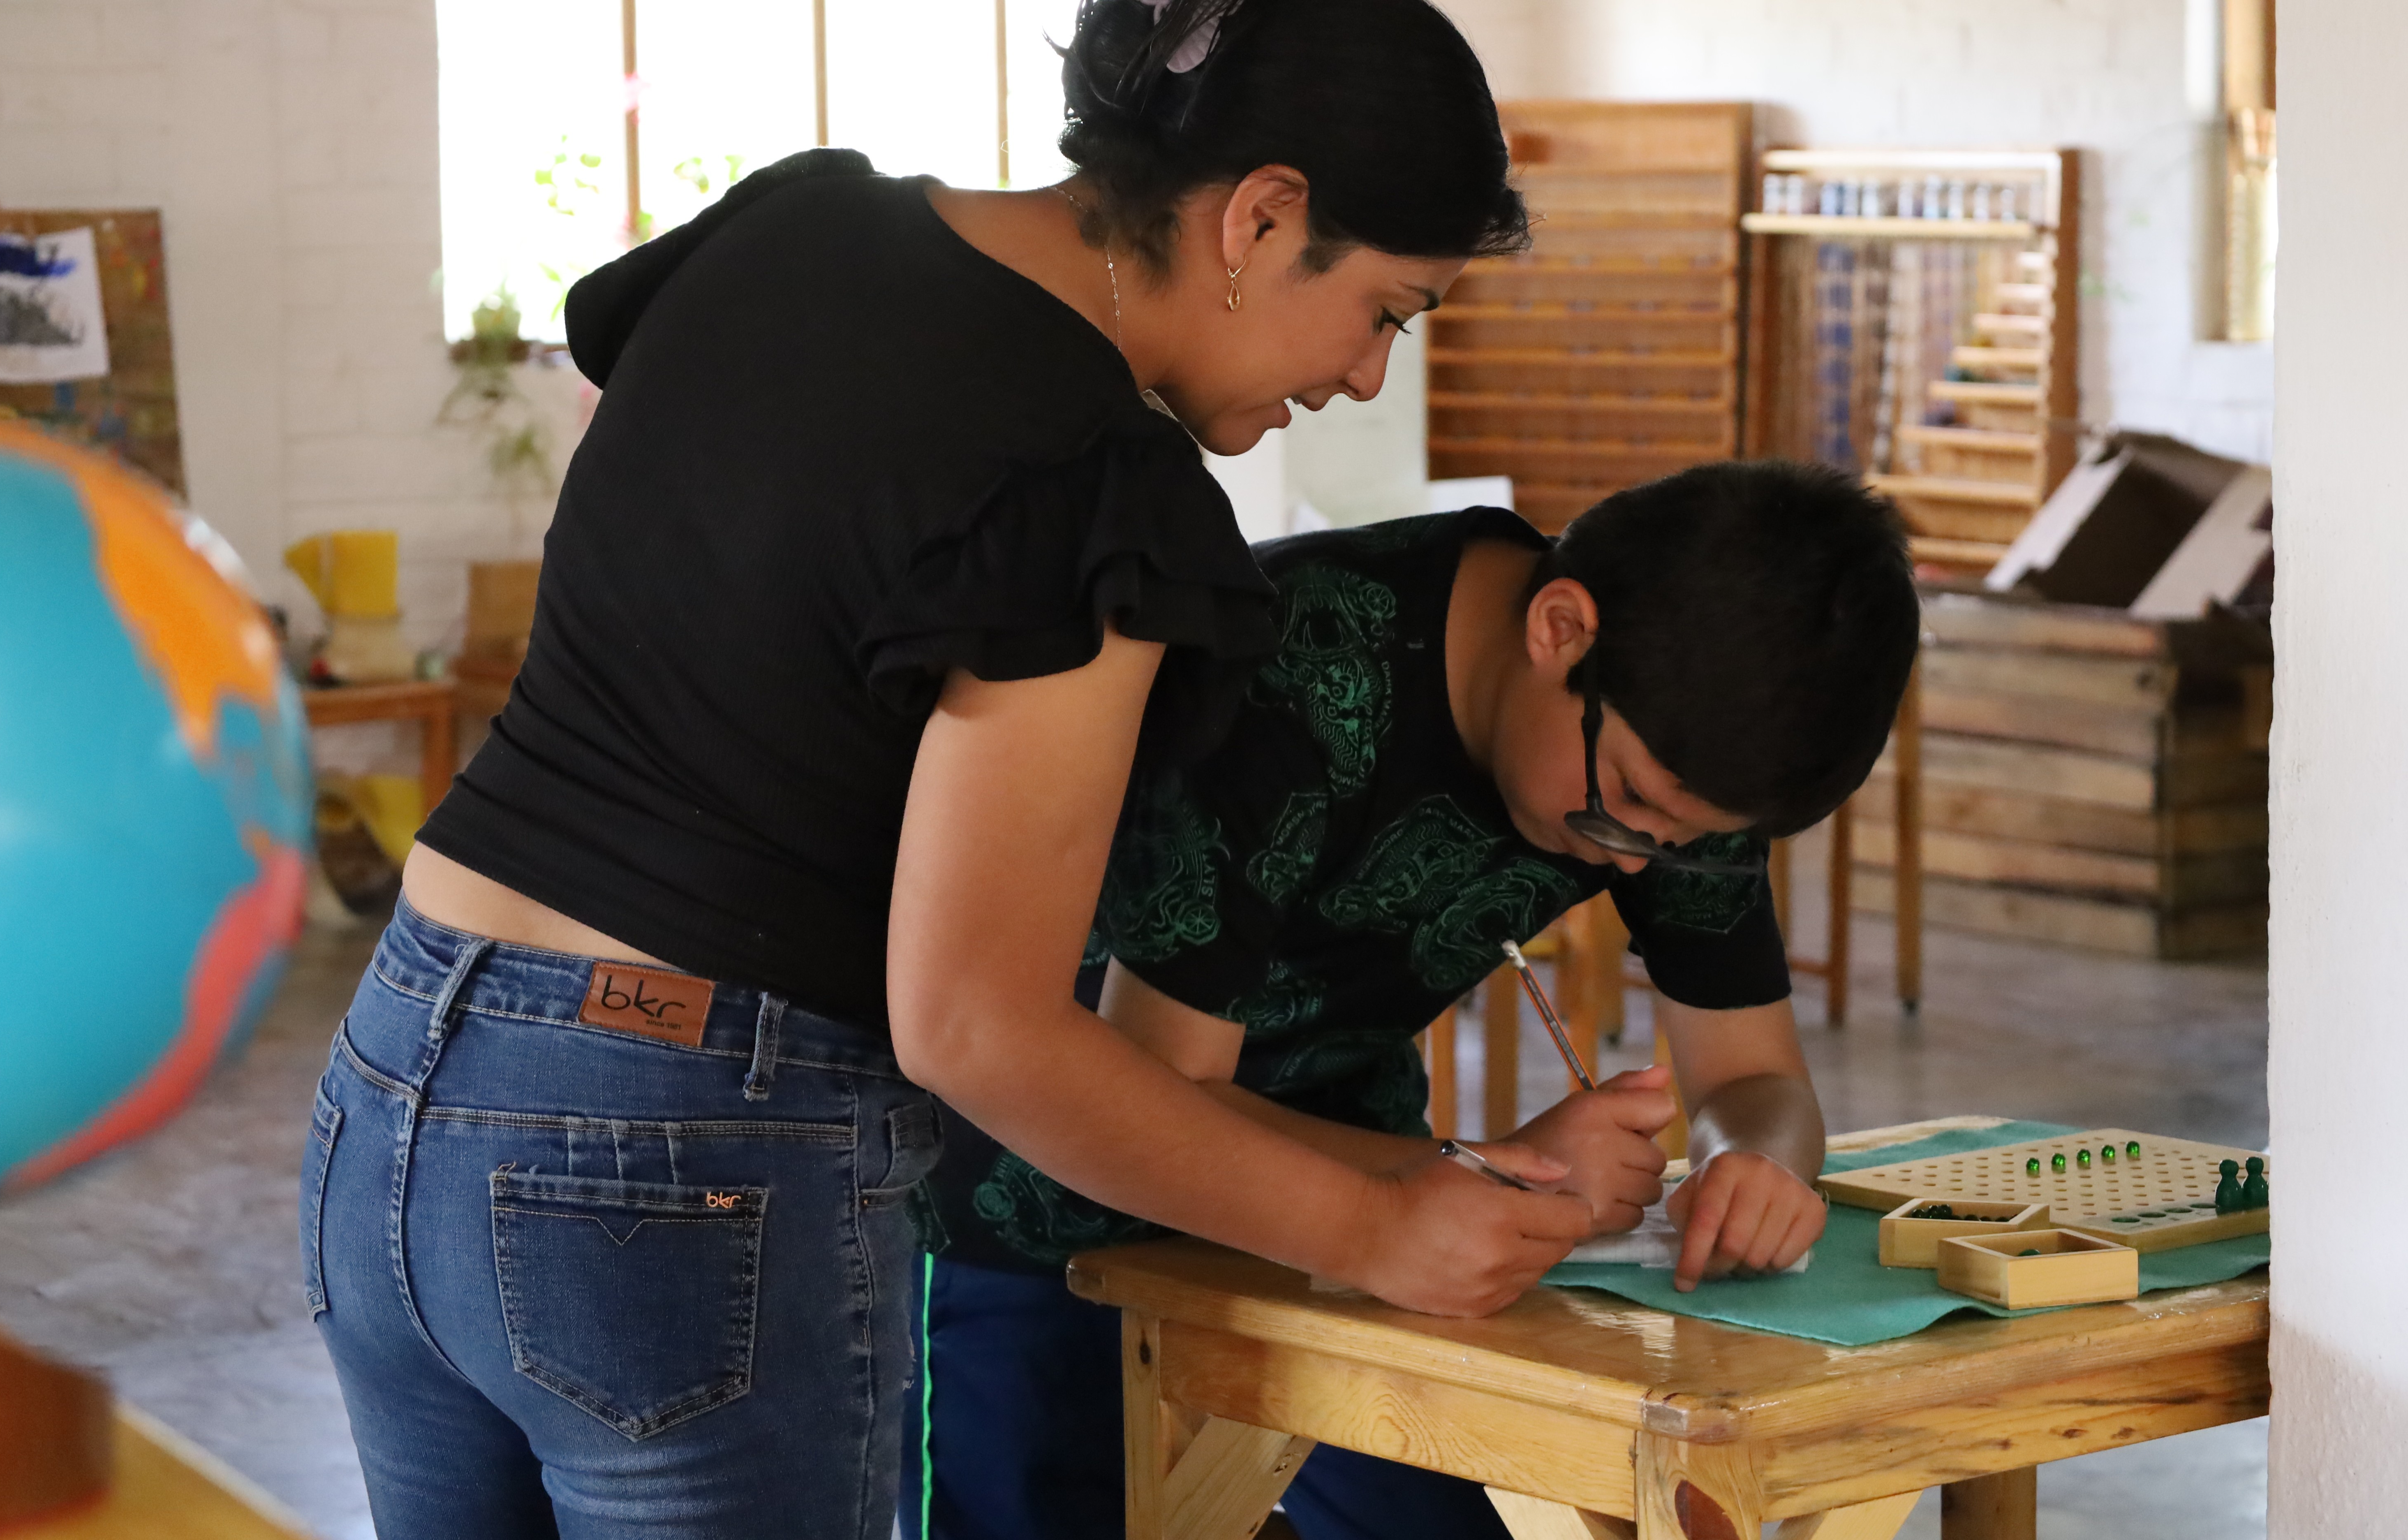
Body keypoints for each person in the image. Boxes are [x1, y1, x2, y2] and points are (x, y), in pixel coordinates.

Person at [298, 3, 1594, 1535]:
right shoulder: (1090, 477)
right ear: (1261, 215)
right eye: (1388, 309)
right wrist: (1377, 1224)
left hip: (394, 1087)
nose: (1368, 377)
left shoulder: (797, 226)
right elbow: (978, 1026)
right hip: (674, 1155)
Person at [902, 461, 1921, 1540]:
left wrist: (1748, 1161)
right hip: (1039, 1189)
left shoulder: (1672, 749)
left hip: (1358, 1196)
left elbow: (1757, 1076)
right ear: (1562, 629)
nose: (1641, 864)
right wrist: (1473, 1174)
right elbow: (1149, 1091)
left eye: (1685, 840)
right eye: (1630, 809)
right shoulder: (1292, 671)